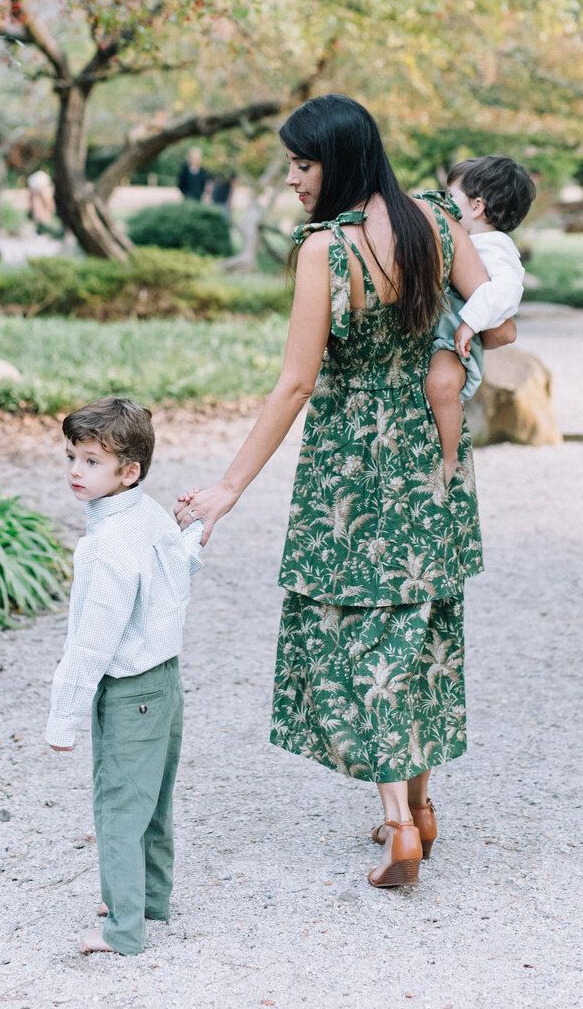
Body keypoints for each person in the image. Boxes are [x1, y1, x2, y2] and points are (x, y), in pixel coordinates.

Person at [174, 95, 516, 890]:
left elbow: (296, 384)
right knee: (423, 621)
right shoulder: (436, 219)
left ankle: (399, 827)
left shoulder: (325, 252)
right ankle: (424, 812)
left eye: (303, 164)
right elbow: (498, 327)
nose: (293, 179)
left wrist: (227, 488)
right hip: (433, 455)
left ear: (340, 160)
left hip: (351, 464)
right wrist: (445, 339)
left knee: (362, 635)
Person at [45, 397, 204, 955]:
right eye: (72, 457)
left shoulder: (105, 545)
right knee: (152, 799)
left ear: (127, 471)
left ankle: (123, 930)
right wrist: (196, 525)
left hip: (129, 689)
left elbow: (93, 640)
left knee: (117, 805)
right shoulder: (150, 512)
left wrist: (62, 717)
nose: (74, 471)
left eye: (90, 461)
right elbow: (179, 567)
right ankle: (148, 901)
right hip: (165, 683)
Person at [424, 154, 537, 484]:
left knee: (441, 385)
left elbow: (505, 292)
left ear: (476, 206)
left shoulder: (494, 245)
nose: (444, 206)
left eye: (451, 198)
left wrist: (470, 323)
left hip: (456, 340)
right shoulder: (466, 239)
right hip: (442, 330)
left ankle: (449, 458)